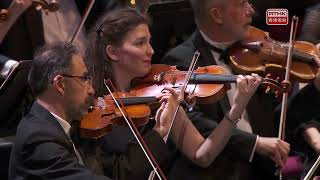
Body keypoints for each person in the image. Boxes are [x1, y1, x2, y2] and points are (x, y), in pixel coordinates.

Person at [85, 8, 267, 180]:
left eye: (149, 41)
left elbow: (203, 155)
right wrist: (161, 129)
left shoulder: (160, 98)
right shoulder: (96, 108)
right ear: (113, 52)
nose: (151, 50)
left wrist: (236, 109)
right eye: (140, 43)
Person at [161, 0, 320, 179]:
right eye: (241, 4)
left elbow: (280, 118)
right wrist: (255, 143)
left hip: (262, 172)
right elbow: (198, 125)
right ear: (217, 15)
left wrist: (315, 88)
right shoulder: (181, 62)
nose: (251, 11)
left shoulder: (253, 53)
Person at [8, 42, 112, 180]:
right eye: (84, 79)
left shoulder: (62, 126)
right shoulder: (37, 139)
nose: (91, 90)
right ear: (60, 85)